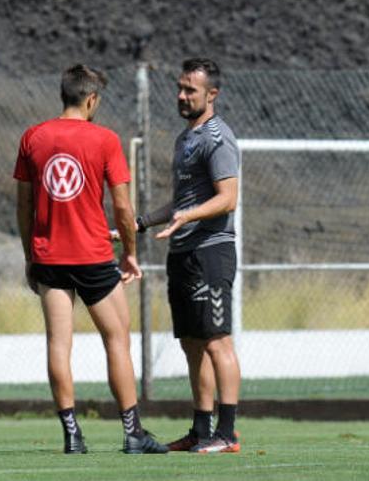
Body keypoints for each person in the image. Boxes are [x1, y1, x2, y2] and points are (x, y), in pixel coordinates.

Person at [13, 64, 168, 455]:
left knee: (58, 344)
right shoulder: (104, 139)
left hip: (49, 256)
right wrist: (130, 253)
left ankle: (72, 435)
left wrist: (30, 255)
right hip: (93, 255)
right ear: (92, 99)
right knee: (116, 339)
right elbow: (121, 205)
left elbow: (24, 204)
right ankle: (133, 433)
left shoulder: (33, 137)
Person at [136, 58, 241, 453]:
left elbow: (228, 198)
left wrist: (189, 215)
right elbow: (181, 202)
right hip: (182, 253)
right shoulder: (185, 138)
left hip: (210, 252)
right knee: (192, 344)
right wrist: (141, 222)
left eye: (190, 90)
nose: (181, 96)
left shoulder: (218, 138)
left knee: (217, 342)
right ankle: (201, 430)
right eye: (180, 88)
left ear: (211, 94)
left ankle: (228, 434)